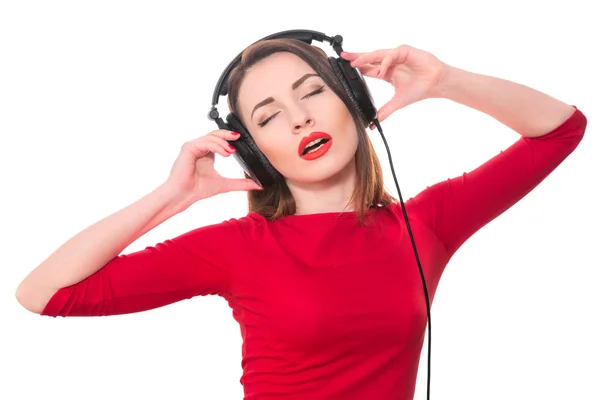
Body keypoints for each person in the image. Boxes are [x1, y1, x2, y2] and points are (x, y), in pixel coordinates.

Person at [15, 38, 587, 399]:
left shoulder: (426, 224)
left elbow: (561, 129)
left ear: (353, 102)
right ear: (256, 151)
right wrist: (171, 197)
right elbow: (43, 293)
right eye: (268, 117)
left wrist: (444, 81)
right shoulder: (237, 246)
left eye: (312, 92)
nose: (298, 120)